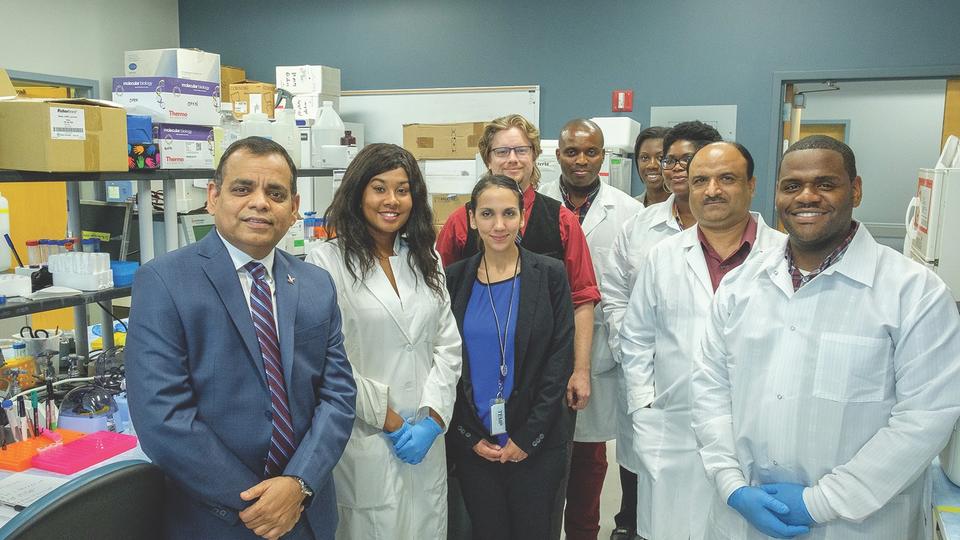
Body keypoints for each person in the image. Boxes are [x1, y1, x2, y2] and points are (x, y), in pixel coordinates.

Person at [691, 135, 960, 540]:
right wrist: (731, 484)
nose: (807, 197)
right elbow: (710, 390)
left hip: (857, 525)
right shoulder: (740, 286)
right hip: (743, 517)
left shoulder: (914, 292)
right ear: (776, 194)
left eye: (825, 184)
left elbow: (924, 420)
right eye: (792, 186)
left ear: (856, 189)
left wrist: (820, 502)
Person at [126, 136, 357, 540]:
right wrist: (260, 504)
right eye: (242, 188)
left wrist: (298, 485)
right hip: (217, 519)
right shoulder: (164, 282)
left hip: (306, 515)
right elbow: (163, 417)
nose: (260, 202)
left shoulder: (316, 284)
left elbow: (338, 396)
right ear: (213, 197)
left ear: (294, 206)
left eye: (275, 192)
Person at [619, 141, 785, 540]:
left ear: (751, 185)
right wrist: (642, 410)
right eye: (701, 181)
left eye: (726, 178)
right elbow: (636, 338)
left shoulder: (783, 256)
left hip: (756, 437)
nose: (712, 190)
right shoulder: (663, 256)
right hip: (673, 431)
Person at [305, 143, 462, 539]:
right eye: (379, 188)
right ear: (358, 192)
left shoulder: (425, 258)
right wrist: (391, 421)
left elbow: (448, 346)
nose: (391, 200)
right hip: (366, 436)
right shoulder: (325, 261)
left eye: (402, 189)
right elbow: (330, 359)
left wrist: (434, 418)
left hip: (426, 436)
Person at [599, 120, 721, 540]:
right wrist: (627, 345)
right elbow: (614, 294)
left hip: (717, 385)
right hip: (652, 381)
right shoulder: (640, 226)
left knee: (716, 495)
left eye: (686, 161)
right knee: (649, 495)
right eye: (670, 160)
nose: (673, 169)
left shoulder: (748, 237)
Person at [444, 174, 576, 540]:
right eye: (487, 214)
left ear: (522, 217)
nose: (498, 225)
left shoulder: (549, 275)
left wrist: (529, 435)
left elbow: (559, 357)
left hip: (535, 440)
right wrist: (467, 435)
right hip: (476, 442)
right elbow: (446, 362)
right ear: (471, 218)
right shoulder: (454, 279)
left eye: (508, 213)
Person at [539, 119, 643, 540]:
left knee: (588, 459)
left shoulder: (629, 211)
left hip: (598, 350)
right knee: (542, 460)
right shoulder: (534, 202)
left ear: (604, 156)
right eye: (571, 152)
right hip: (540, 346)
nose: (581, 161)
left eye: (591, 152)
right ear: (557, 154)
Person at [632, 126, 670, 207]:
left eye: (661, 158)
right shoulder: (630, 207)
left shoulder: (688, 210)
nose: (652, 165)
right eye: (645, 158)